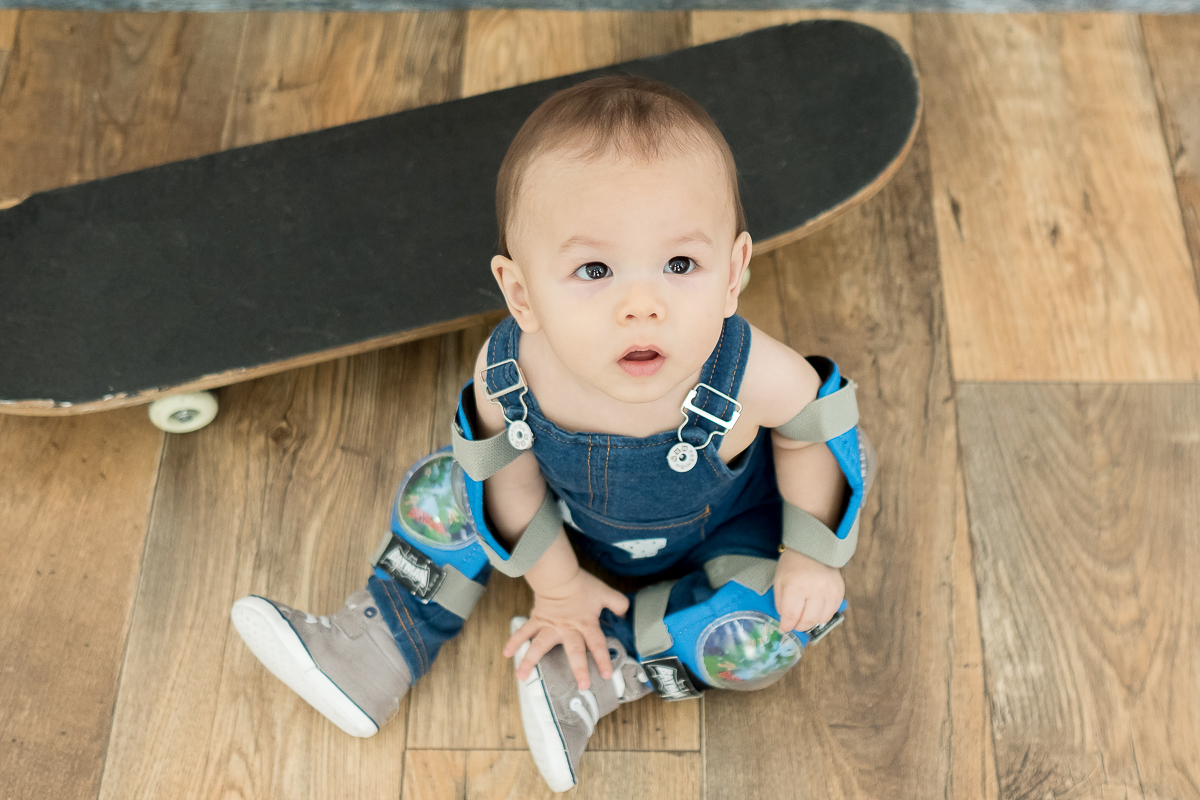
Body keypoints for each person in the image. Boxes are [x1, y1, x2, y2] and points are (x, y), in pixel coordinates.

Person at [231, 75, 874, 793]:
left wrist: (811, 555)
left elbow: (813, 429)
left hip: (724, 537)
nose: (642, 305)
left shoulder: (750, 369)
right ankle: (381, 640)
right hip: (561, 525)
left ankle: (605, 667)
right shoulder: (510, 373)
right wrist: (558, 584)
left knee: (775, 633)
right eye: (594, 269)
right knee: (448, 484)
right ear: (522, 294)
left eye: (681, 265)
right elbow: (503, 476)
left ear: (733, 274)